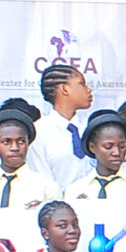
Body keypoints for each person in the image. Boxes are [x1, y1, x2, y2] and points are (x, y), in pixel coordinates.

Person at [0, 104, 60, 212]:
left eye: (21, 141)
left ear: (28, 143)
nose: (15, 148)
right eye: (6, 142)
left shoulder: (47, 187)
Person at [31, 62, 98, 190]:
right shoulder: (39, 132)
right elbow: (43, 180)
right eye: (82, 84)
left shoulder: (90, 128)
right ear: (64, 89)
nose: (89, 89)